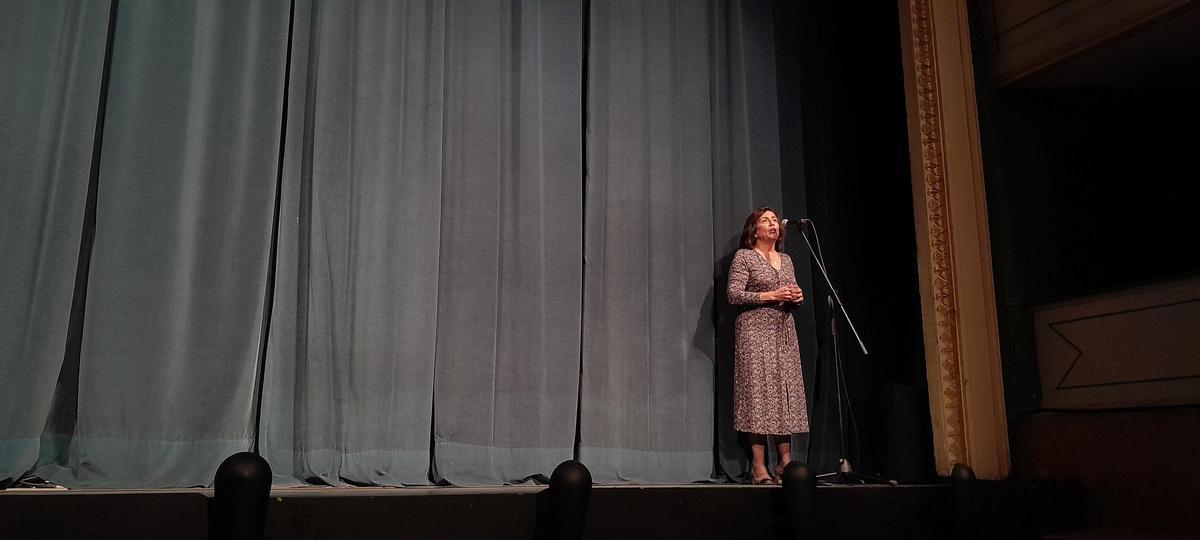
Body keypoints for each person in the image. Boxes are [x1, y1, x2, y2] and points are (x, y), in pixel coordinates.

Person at [726, 207, 810, 485]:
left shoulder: (785, 259)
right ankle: (759, 466)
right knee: (759, 397)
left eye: (775, 220)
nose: (772, 223)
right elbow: (734, 294)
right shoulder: (745, 257)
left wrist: (796, 296)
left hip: (783, 331)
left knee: (784, 395)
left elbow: (793, 291)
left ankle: (785, 463)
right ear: (754, 230)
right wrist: (770, 295)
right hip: (754, 331)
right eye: (766, 220)